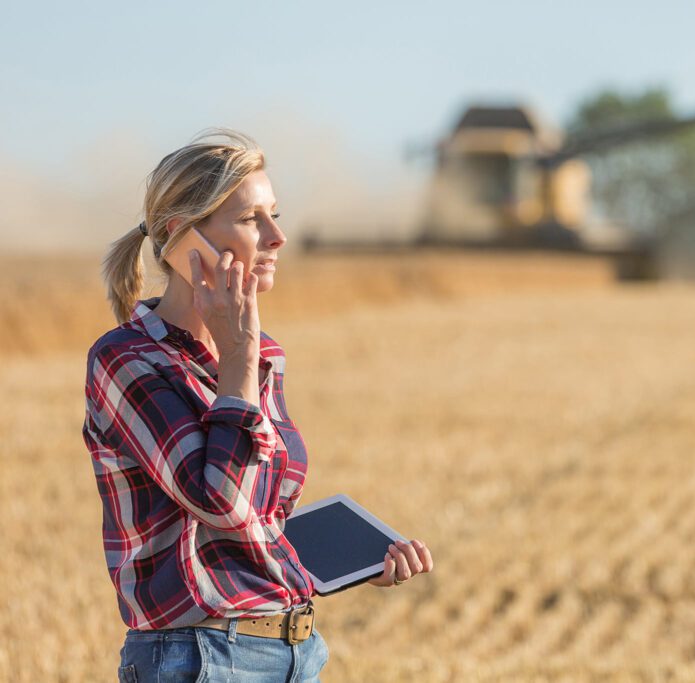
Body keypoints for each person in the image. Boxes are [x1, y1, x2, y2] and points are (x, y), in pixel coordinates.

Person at [82, 130, 434, 682]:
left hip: (298, 650)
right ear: (182, 235)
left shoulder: (265, 354)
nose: (278, 237)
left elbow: (260, 516)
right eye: (253, 220)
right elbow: (220, 502)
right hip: (201, 658)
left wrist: (351, 562)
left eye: (275, 215)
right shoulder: (127, 360)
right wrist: (239, 357)